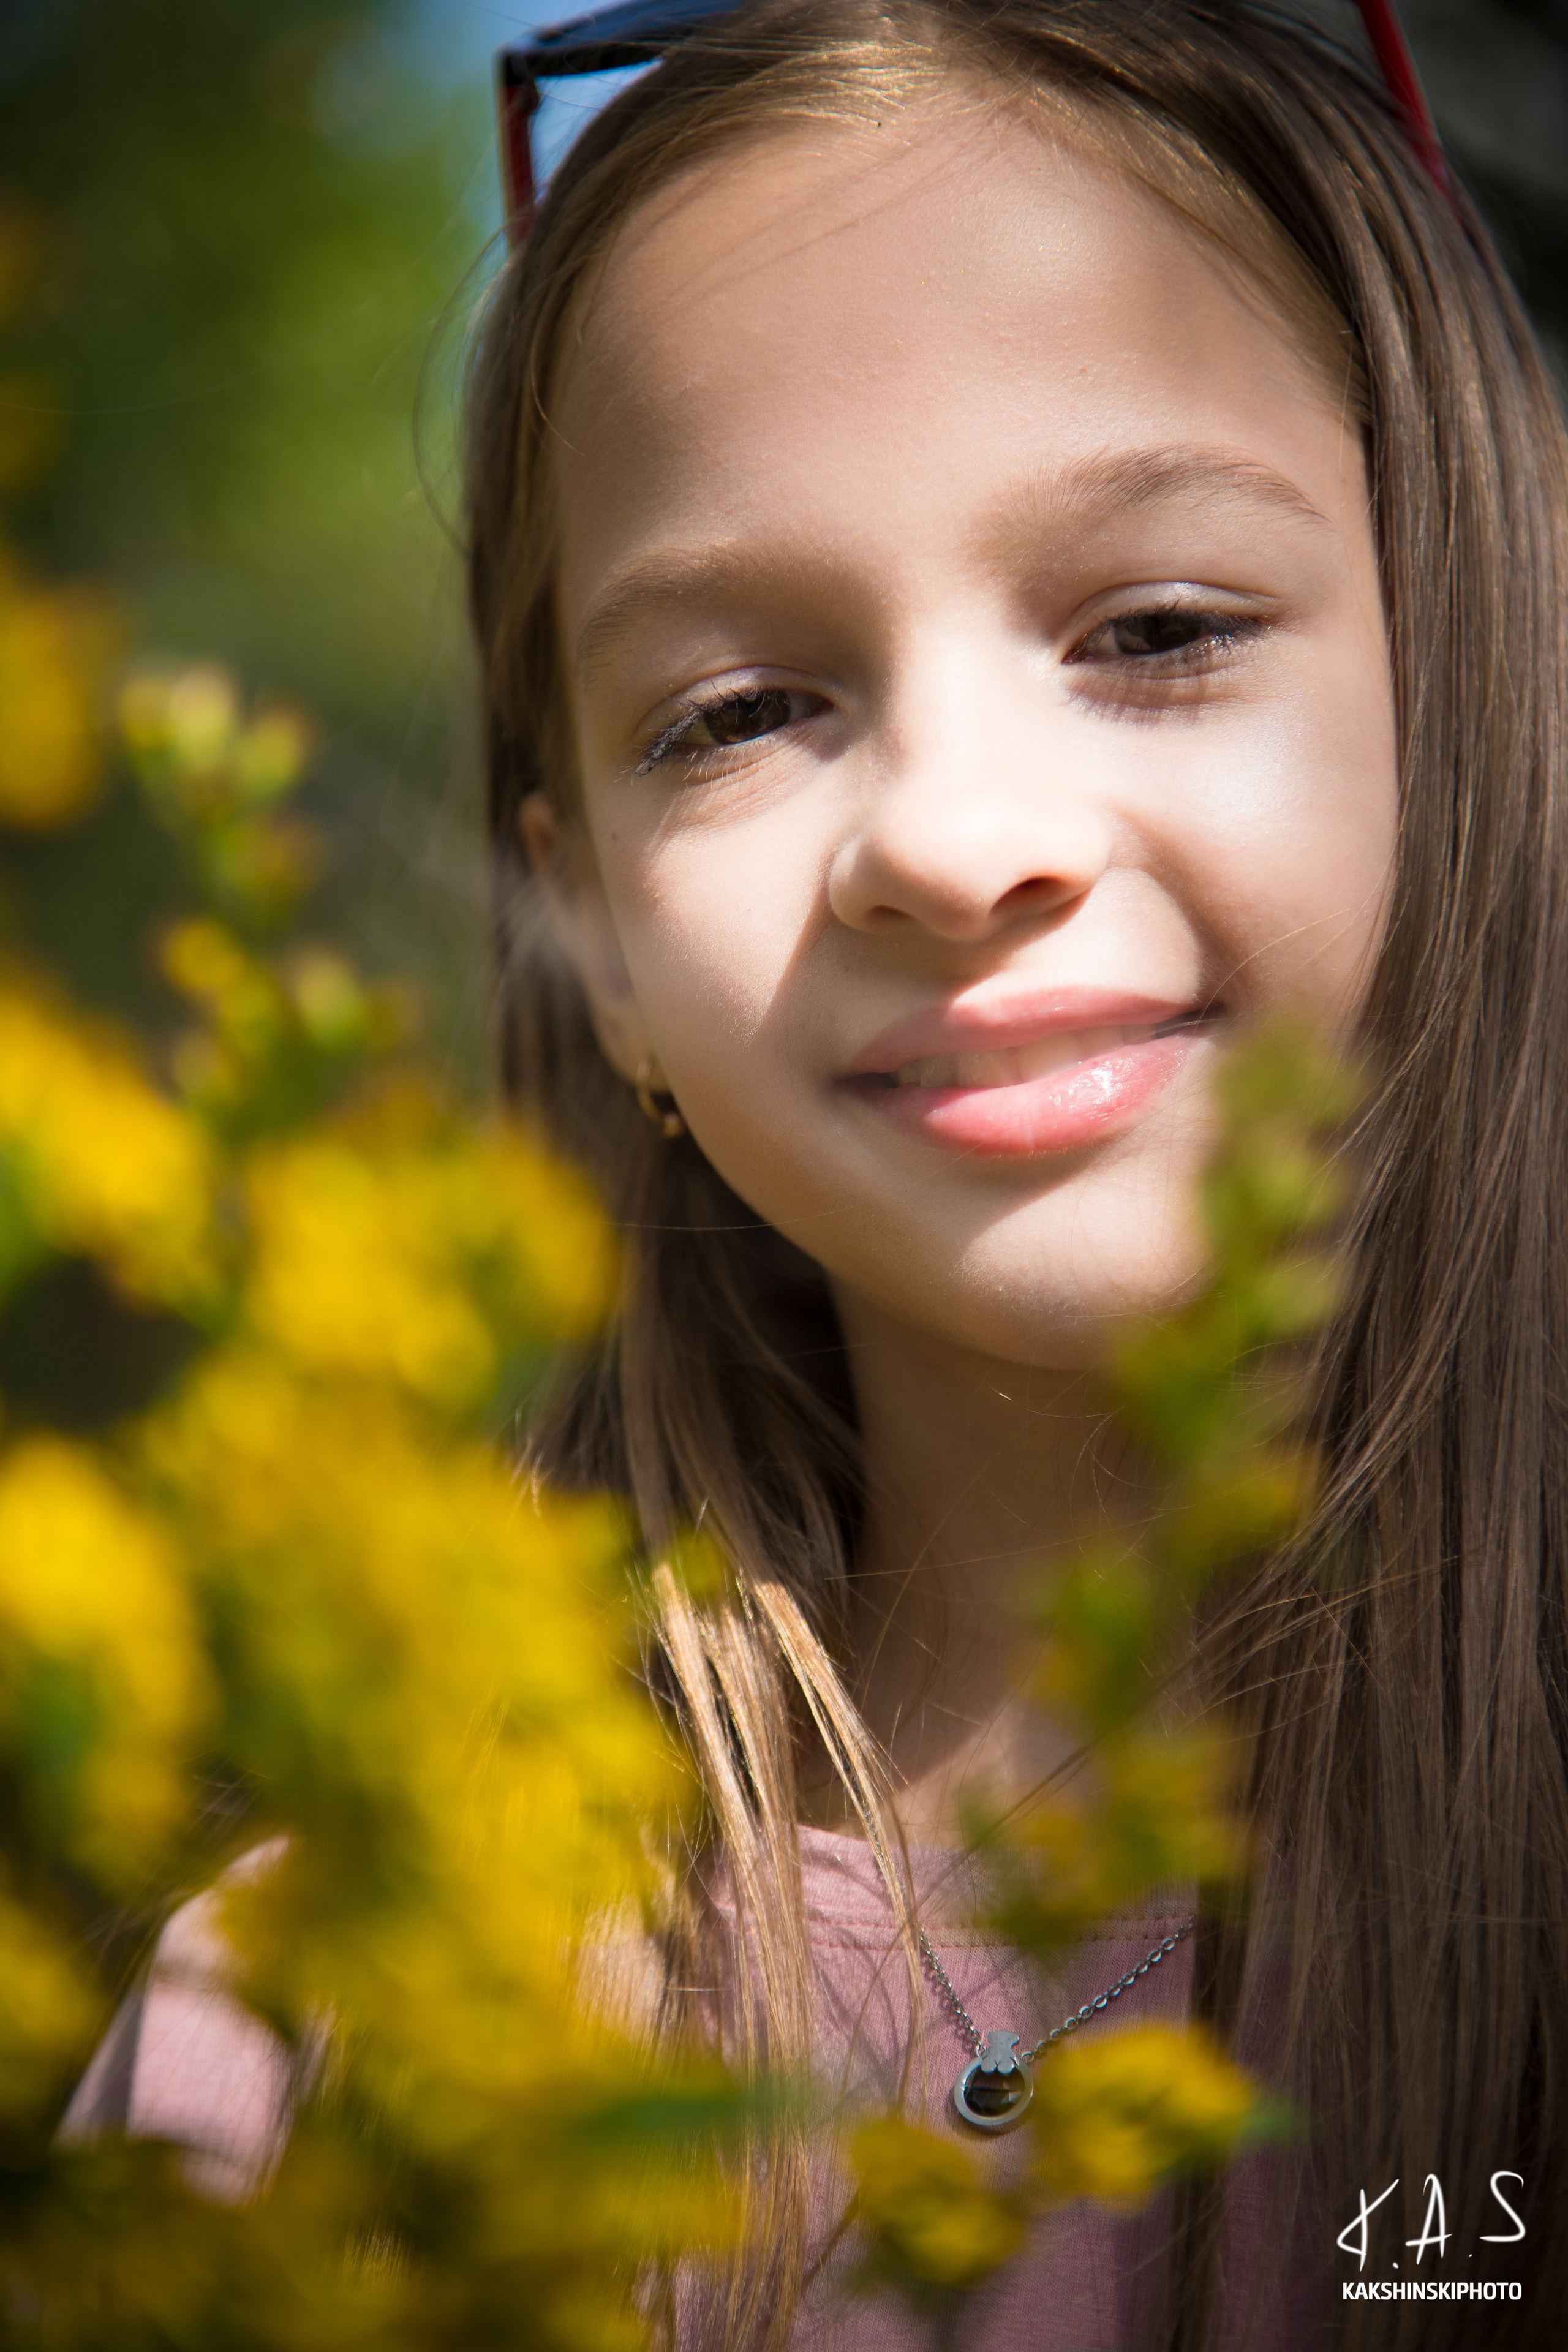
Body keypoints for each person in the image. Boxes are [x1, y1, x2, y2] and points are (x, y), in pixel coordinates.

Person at [70, 1, 1568, 2344]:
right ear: (599, 946)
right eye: (744, 710)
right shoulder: (313, 2039)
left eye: (1159, 630)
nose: (956, 846)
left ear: (1473, 694)